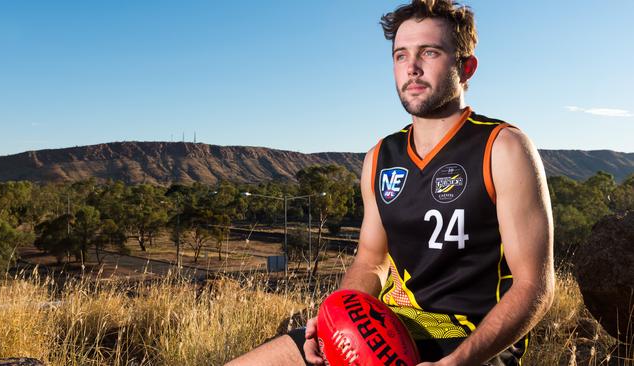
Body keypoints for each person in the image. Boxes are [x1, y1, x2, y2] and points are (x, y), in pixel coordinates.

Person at [226, 0, 554, 365]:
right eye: (400, 56)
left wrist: (458, 362)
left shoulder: (503, 148)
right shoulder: (380, 157)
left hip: (468, 340)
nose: (411, 67)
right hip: (384, 328)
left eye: (429, 52)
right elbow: (370, 260)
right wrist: (335, 320)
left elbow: (534, 286)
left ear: (466, 68)